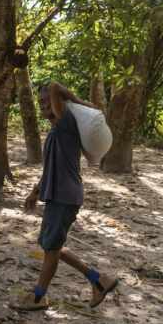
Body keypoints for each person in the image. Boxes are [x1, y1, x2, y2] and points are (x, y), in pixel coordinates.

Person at [15, 82, 118, 310]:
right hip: (58, 196)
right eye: (40, 102)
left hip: (65, 197)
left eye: (47, 101)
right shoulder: (55, 130)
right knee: (52, 246)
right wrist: (34, 192)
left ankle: (38, 297)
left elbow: (53, 86)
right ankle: (99, 280)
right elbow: (51, 168)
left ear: (60, 102)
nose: (44, 105)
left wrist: (76, 101)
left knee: (51, 249)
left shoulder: (66, 123)